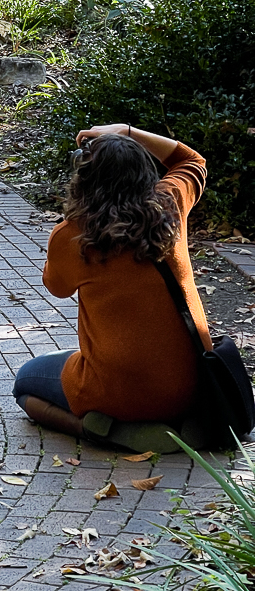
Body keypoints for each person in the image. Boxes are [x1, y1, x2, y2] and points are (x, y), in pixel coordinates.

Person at [12, 123, 211, 453]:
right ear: (146, 172)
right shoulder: (171, 203)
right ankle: (183, 424)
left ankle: (108, 432)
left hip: (120, 394)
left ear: (85, 179)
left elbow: (56, 286)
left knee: (26, 383)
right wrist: (127, 131)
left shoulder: (73, 234)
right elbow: (192, 161)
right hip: (194, 384)